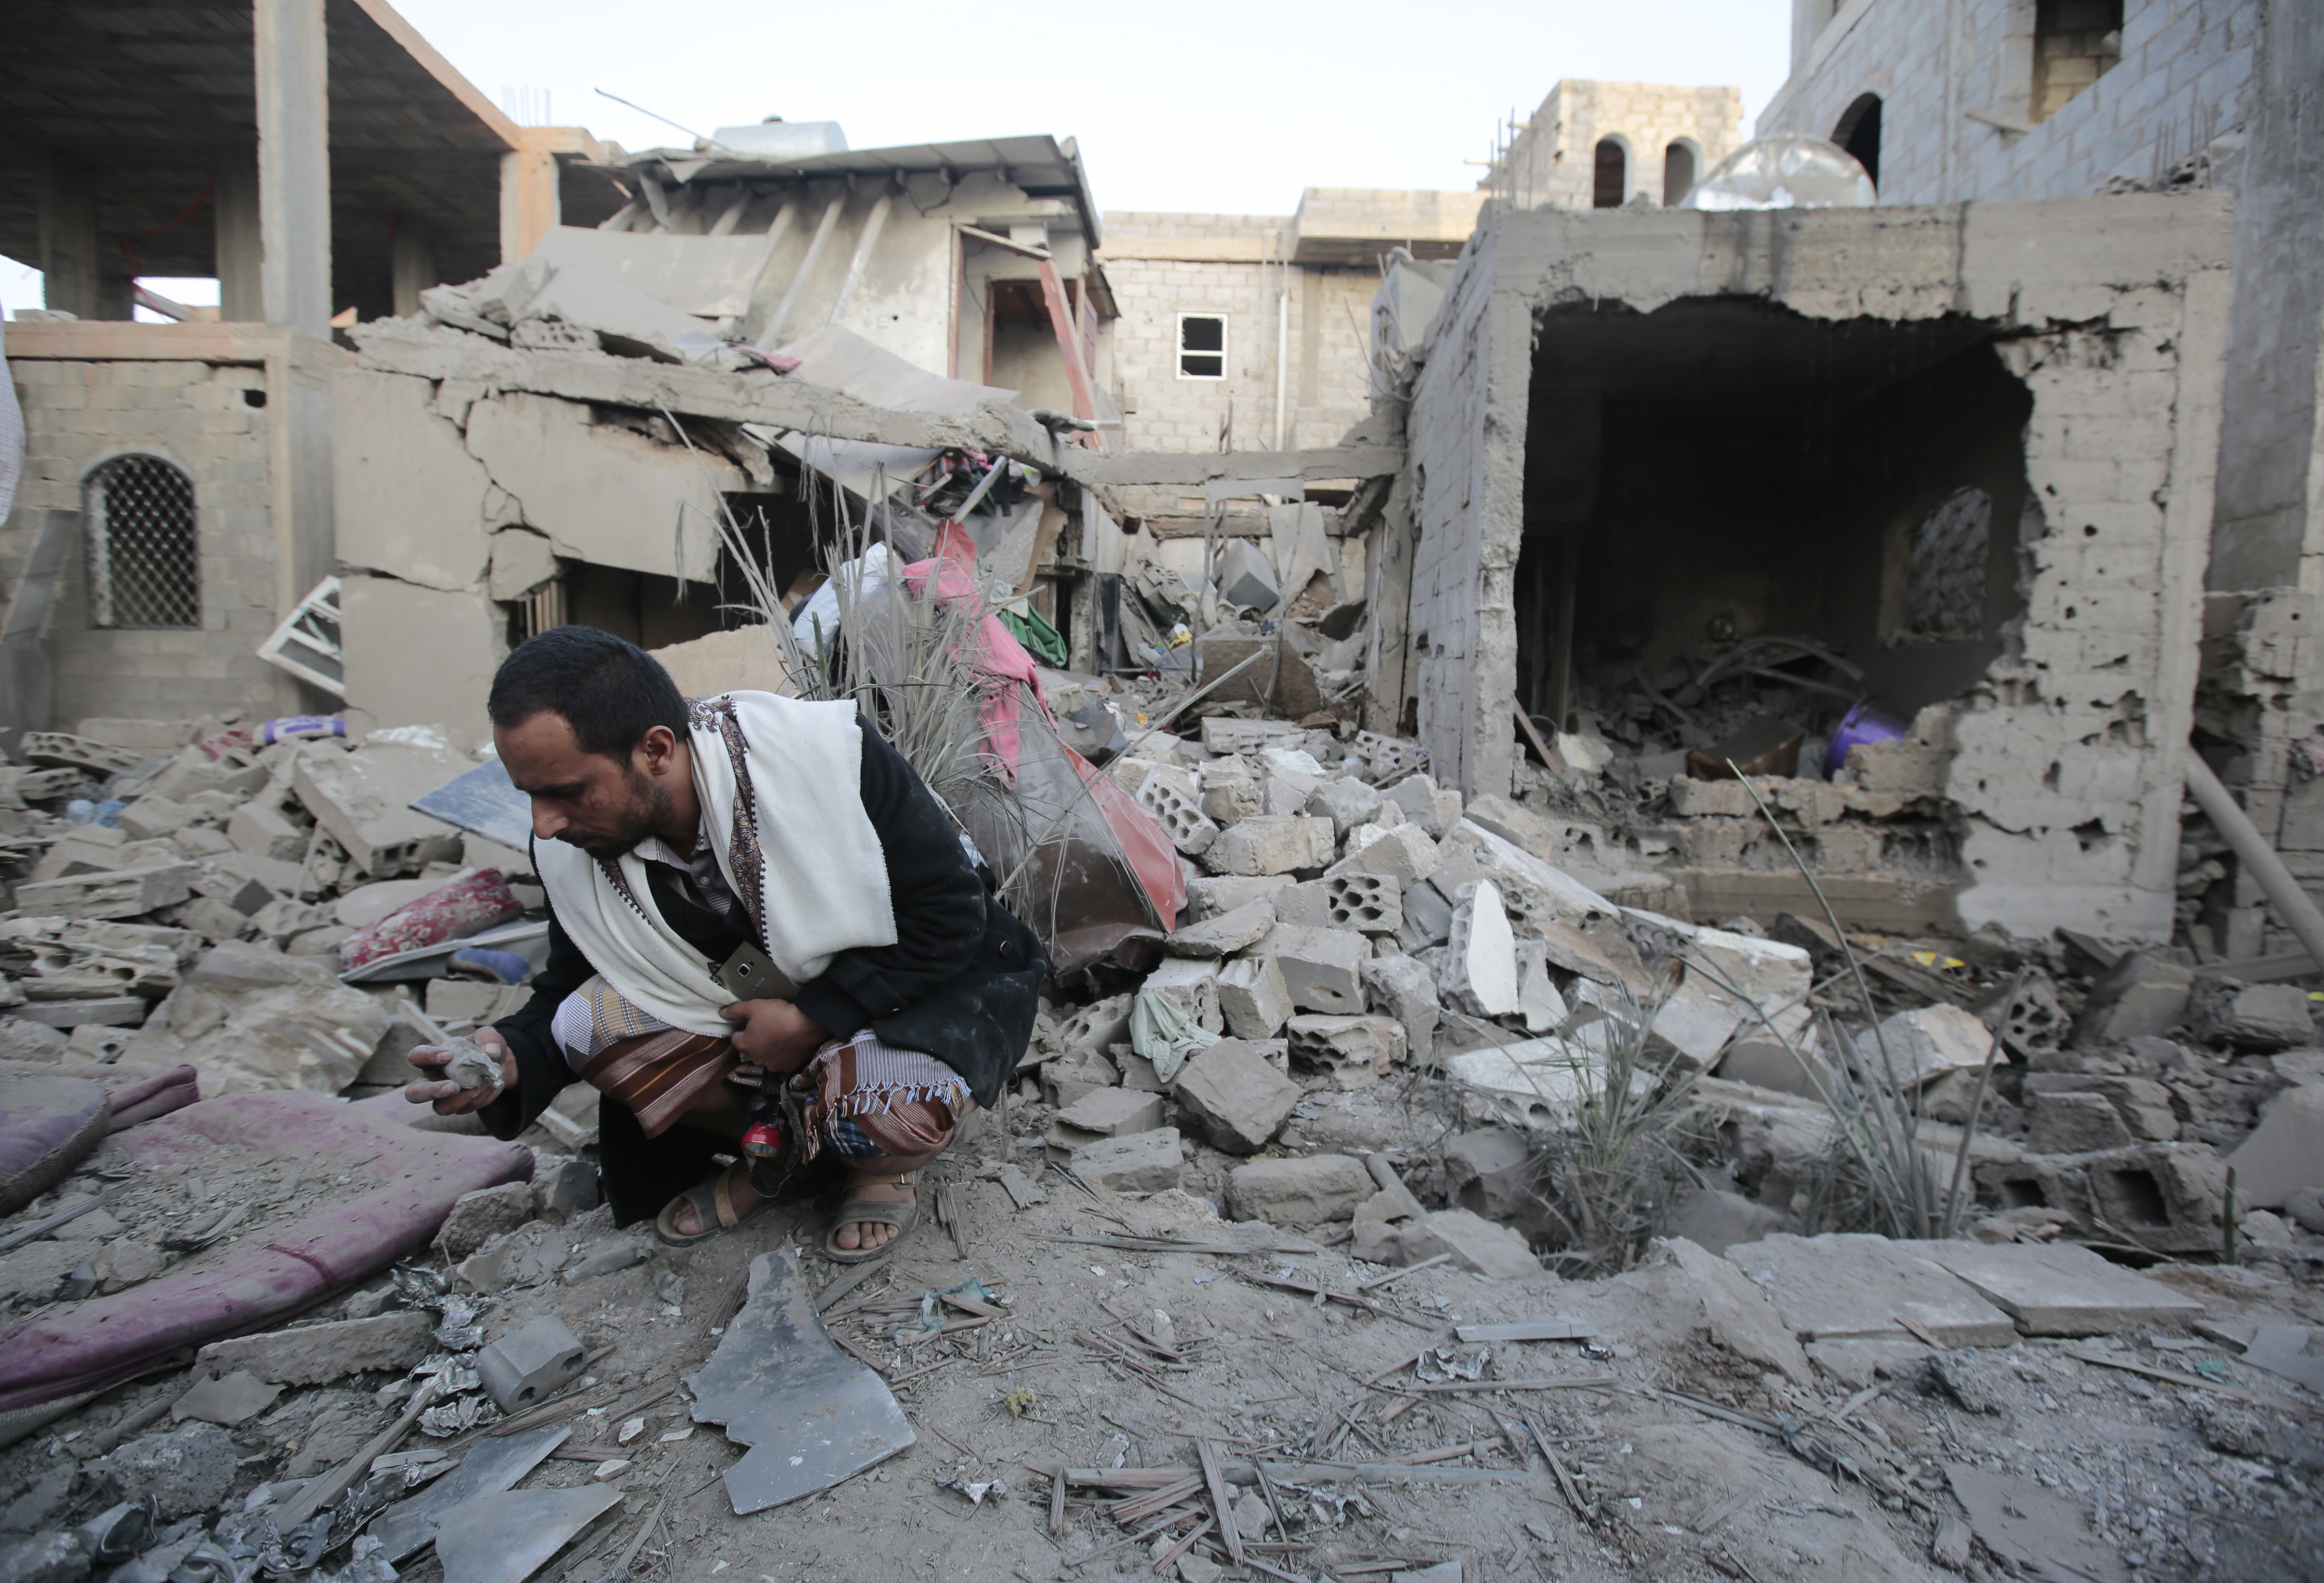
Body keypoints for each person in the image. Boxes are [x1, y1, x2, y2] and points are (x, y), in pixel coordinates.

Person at [405, 626, 1042, 1259]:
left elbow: (948, 914)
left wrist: (816, 1017)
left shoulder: (820, 758)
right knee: (585, 1022)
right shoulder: (578, 846)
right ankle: (781, 1156)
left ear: (656, 750)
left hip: (897, 1002)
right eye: (532, 796)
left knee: (888, 1106)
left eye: (566, 792)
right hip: (746, 1035)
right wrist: (514, 1057)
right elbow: (574, 976)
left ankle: (875, 1169)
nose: (544, 823)